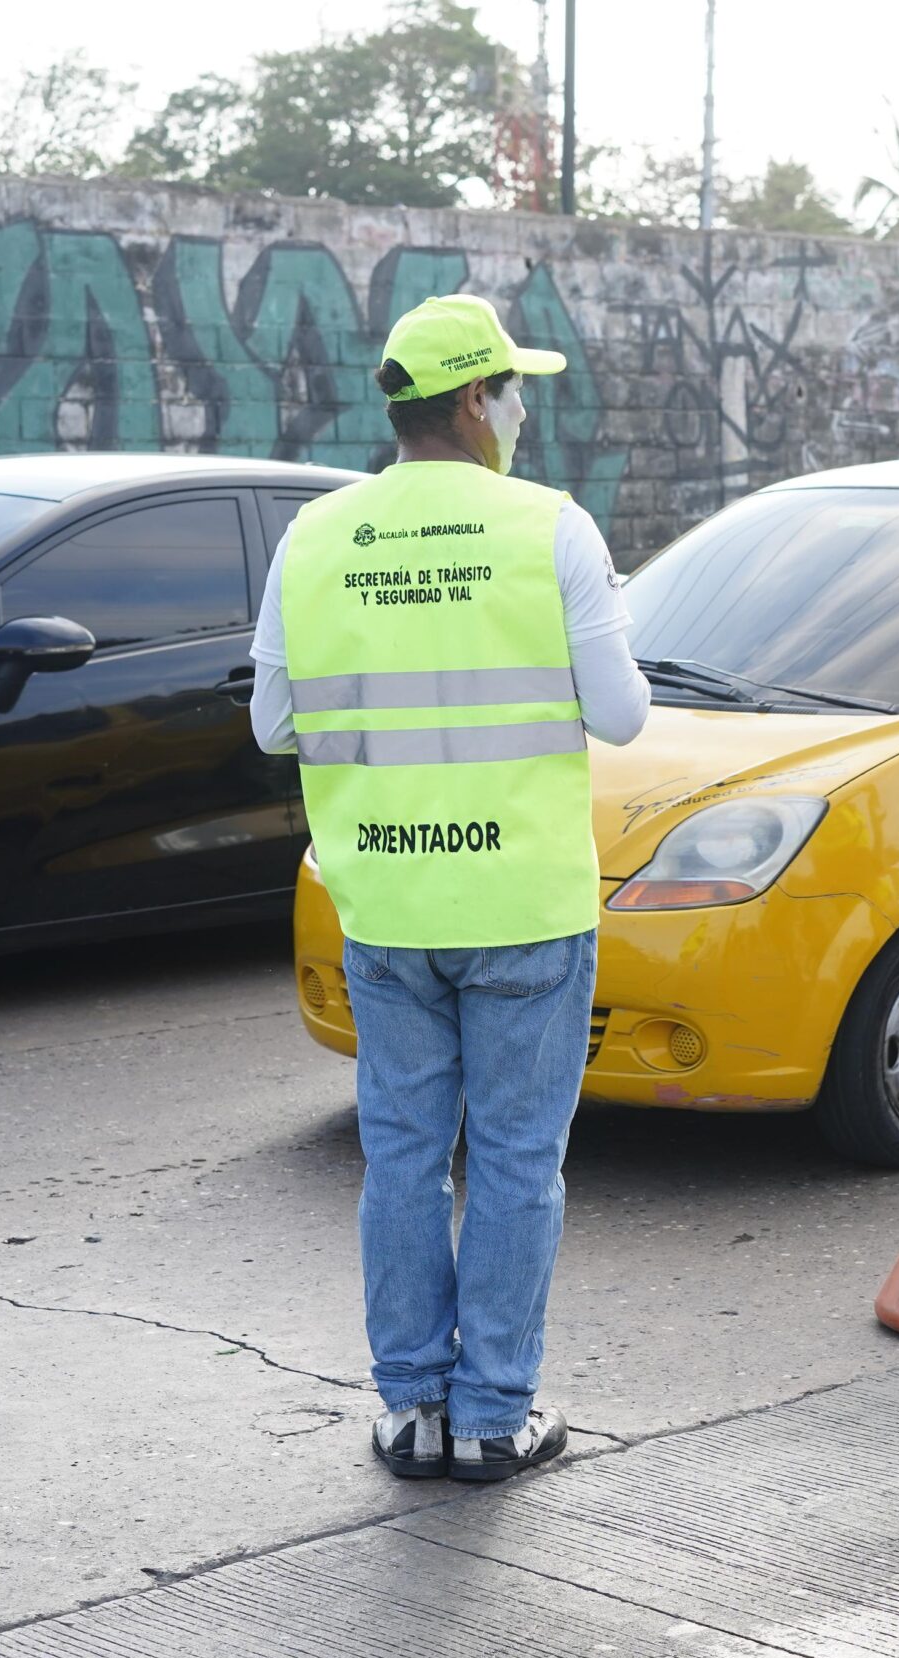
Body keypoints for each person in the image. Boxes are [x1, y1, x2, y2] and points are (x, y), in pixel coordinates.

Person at [249, 294, 649, 1481]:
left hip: (387, 904)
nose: (518, 410)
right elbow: (623, 715)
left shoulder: (318, 534)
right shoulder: (552, 528)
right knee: (519, 1161)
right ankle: (493, 1415)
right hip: (525, 906)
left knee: (404, 1157)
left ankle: (409, 1407)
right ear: (475, 400)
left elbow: (276, 721)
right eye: (511, 390)